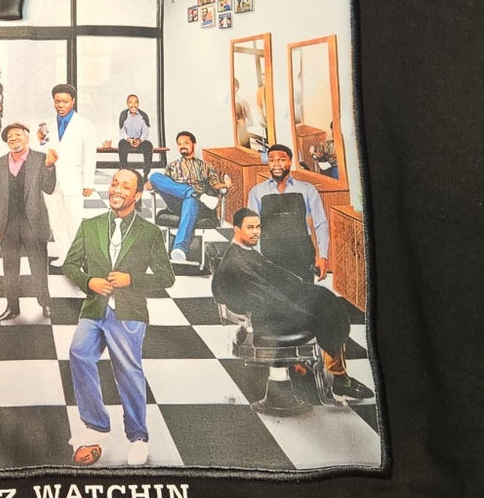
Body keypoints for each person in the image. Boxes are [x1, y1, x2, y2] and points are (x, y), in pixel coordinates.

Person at [62, 168, 175, 467]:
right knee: (78, 353)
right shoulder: (90, 226)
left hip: (128, 312)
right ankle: (96, 426)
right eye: (114, 184)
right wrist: (89, 282)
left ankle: (138, 437)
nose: (116, 190)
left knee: (128, 370)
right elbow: (69, 265)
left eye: (125, 186)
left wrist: (131, 280)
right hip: (95, 308)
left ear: (136, 194)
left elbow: (167, 277)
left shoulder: (149, 232)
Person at [212, 208, 372, 402]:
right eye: (250, 227)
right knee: (323, 314)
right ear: (237, 229)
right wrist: (298, 305)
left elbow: (273, 273)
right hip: (263, 318)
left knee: (326, 300)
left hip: (270, 305)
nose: (256, 232)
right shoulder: (237, 261)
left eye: (258, 227)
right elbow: (263, 294)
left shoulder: (244, 251)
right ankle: (339, 379)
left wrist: (300, 287)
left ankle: (338, 375)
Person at [0, 122, 57, 321]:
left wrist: (50, 167)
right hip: (8, 224)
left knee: (38, 267)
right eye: (10, 137)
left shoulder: (40, 159)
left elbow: (49, 188)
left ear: (27, 137)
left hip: (33, 223)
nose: (13, 139)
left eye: (18, 135)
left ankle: (45, 303)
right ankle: (12, 306)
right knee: (10, 268)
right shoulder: (0, 163)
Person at [247, 143, 328, 282]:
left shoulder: (307, 189)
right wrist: (257, 258)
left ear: (290, 162)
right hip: (269, 253)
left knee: (303, 293)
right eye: (272, 160)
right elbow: (252, 228)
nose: (276, 164)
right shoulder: (257, 192)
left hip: (301, 253)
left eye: (282, 159)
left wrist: (323, 257)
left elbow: (321, 224)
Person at [148, 131, 231, 263]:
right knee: (154, 176)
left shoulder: (206, 166)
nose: (182, 146)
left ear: (194, 144)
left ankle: (179, 249)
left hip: (198, 206)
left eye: (186, 143)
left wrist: (225, 185)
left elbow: (216, 185)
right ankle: (196, 194)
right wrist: (152, 184)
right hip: (176, 204)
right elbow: (166, 186)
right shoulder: (172, 166)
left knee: (191, 201)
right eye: (179, 144)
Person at [37, 82, 97, 260]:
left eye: (65, 101)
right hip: (51, 180)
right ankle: (64, 255)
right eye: (57, 101)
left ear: (73, 101)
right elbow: (43, 151)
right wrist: (41, 141)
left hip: (74, 180)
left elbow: (90, 155)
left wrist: (88, 183)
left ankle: (77, 258)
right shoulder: (46, 124)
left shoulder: (84, 124)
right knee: (56, 219)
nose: (60, 105)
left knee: (74, 219)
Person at [117, 94, 154, 182]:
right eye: (131, 102)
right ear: (127, 104)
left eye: (135, 102)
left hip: (139, 141)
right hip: (128, 141)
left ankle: (145, 174)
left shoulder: (142, 116)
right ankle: (125, 171)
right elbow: (122, 131)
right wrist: (129, 139)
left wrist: (140, 140)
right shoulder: (124, 115)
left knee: (148, 145)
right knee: (121, 143)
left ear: (138, 104)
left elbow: (145, 131)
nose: (133, 105)